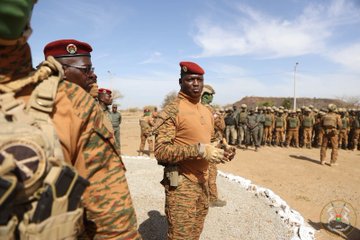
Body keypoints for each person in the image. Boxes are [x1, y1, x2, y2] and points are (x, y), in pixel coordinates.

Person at [0, 5, 141, 238]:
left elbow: (113, 220)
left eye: (92, 69)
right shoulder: (73, 102)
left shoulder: (79, 105)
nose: (93, 75)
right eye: (86, 69)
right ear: (62, 70)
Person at [153, 61, 235, 240]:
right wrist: (199, 150)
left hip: (202, 181)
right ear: (181, 81)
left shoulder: (205, 110)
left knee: (195, 233)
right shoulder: (172, 110)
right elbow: (160, 151)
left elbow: (210, 141)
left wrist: (223, 149)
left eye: (199, 79)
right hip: (182, 183)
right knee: (180, 236)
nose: (196, 83)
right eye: (190, 79)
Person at [200, 84, 227, 207]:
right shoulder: (209, 110)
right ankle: (212, 199)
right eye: (210, 95)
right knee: (211, 173)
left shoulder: (195, 108)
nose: (212, 97)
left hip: (199, 146)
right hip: (210, 146)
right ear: (205, 95)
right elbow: (221, 126)